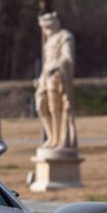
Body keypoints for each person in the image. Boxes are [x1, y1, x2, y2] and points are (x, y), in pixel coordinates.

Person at [34, 11, 77, 151]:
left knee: (55, 108)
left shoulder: (65, 36)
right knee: (40, 106)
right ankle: (52, 136)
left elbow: (67, 57)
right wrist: (41, 78)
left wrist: (57, 67)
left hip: (56, 77)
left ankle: (59, 139)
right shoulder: (49, 40)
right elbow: (47, 61)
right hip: (46, 78)